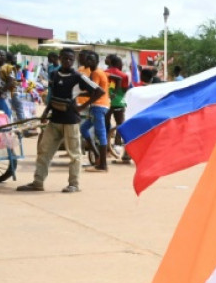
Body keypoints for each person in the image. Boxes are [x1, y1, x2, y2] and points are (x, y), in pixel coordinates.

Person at [17, 48, 104, 193]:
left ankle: (74, 184)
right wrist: (45, 112)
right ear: (60, 58)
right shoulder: (54, 74)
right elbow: (53, 97)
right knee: (44, 151)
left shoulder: (78, 77)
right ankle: (38, 182)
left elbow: (99, 91)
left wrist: (82, 107)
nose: (68, 61)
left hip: (70, 120)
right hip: (54, 119)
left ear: (74, 60)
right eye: (65, 58)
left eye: (70, 59)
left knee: (74, 154)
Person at [78, 51, 111, 171]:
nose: (88, 62)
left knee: (101, 134)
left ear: (97, 61)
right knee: (83, 129)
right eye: (87, 59)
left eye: (91, 60)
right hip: (100, 106)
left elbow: (95, 92)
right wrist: (79, 93)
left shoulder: (96, 73)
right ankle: (97, 155)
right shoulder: (96, 72)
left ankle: (103, 164)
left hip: (98, 106)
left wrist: (83, 105)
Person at [105, 55, 131, 161]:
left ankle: (106, 148)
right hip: (118, 102)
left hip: (106, 101)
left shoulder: (104, 72)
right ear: (119, 64)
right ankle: (118, 144)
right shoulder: (123, 75)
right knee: (120, 124)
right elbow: (124, 90)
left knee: (105, 123)